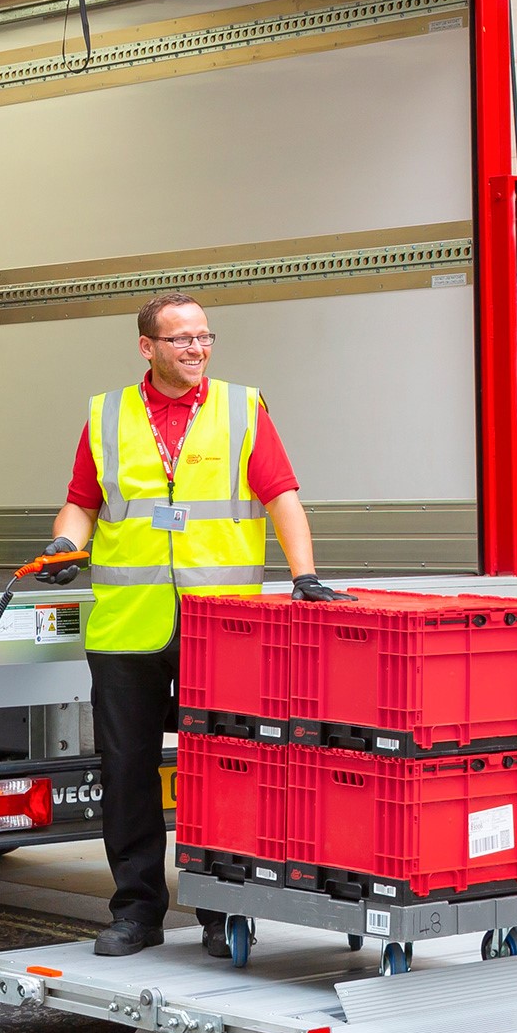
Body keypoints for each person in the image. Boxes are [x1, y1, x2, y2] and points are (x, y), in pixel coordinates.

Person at [37, 292, 349, 958]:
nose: (197, 349)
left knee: (223, 771)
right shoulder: (108, 414)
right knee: (126, 771)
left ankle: (219, 910)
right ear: (146, 347)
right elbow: (80, 503)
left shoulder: (241, 409)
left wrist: (304, 575)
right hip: (128, 626)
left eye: (205, 337)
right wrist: (65, 545)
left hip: (221, 628)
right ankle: (136, 911)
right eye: (180, 339)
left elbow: (281, 496)